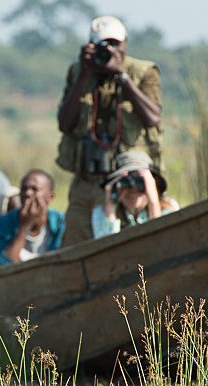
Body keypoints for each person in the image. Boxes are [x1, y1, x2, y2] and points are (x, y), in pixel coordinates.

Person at [56, 15, 163, 247]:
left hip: (126, 183)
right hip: (86, 180)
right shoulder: (78, 72)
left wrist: (121, 76)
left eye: (116, 44)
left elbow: (153, 117)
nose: (111, 50)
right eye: (105, 45)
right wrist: (85, 75)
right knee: (75, 248)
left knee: (126, 248)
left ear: (125, 43)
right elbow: (64, 123)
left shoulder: (143, 72)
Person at [92, 151, 178, 238]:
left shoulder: (169, 207)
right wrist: (110, 212)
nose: (134, 190)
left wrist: (154, 204)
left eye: (141, 182)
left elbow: (164, 243)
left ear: (153, 185)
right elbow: (106, 249)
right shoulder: (101, 212)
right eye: (125, 183)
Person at [0, 169, 65, 266]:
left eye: (35, 189)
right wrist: (23, 228)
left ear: (50, 197)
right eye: (24, 189)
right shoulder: (4, 222)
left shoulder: (62, 222)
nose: (28, 193)